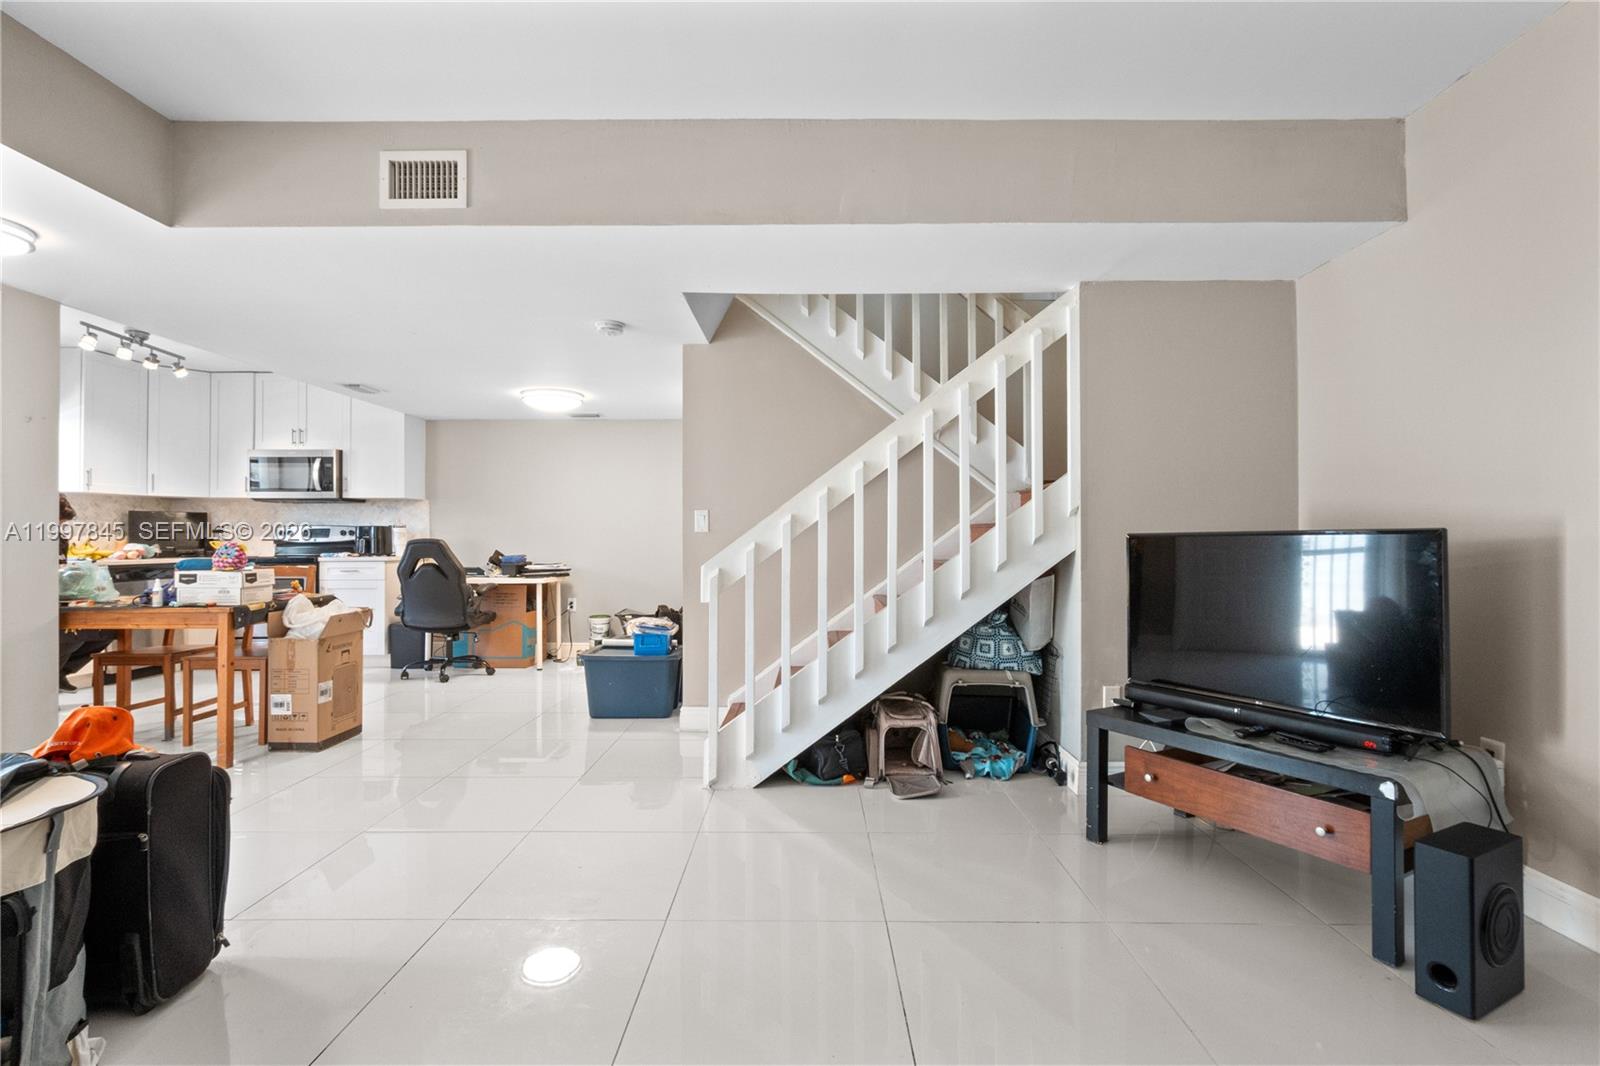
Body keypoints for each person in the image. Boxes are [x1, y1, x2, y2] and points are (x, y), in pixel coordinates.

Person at [57, 494, 114, 692]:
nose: (60, 525)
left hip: (65, 596)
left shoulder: (60, 539)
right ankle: (51, 672)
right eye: (58, 521)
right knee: (75, 632)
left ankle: (60, 671)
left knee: (108, 630)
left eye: (62, 522)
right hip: (42, 602)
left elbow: (61, 567)